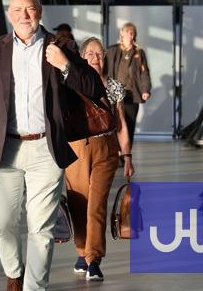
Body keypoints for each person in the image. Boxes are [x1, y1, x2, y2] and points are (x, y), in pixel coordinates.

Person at [0, 0, 103, 291]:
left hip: (45, 149)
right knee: (2, 223)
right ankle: (15, 272)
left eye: (29, 9)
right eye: (17, 10)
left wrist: (65, 65)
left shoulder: (61, 46)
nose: (24, 16)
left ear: (39, 11)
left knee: (41, 228)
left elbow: (94, 87)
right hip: (4, 148)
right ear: (9, 14)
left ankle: (33, 287)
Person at [65, 37, 134, 281]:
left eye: (100, 54)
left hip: (106, 147)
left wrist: (127, 156)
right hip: (76, 148)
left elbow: (121, 124)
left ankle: (94, 258)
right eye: (91, 54)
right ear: (82, 58)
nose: (96, 58)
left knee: (97, 204)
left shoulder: (114, 86)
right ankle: (81, 251)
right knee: (78, 203)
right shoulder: (72, 84)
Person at [105, 22, 151, 144]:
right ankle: (116, 149)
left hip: (132, 94)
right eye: (128, 33)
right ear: (122, 34)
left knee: (130, 123)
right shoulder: (112, 50)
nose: (130, 36)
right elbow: (105, 69)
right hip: (115, 94)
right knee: (115, 123)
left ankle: (126, 151)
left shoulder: (139, 53)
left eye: (132, 33)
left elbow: (144, 72)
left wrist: (145, 89)